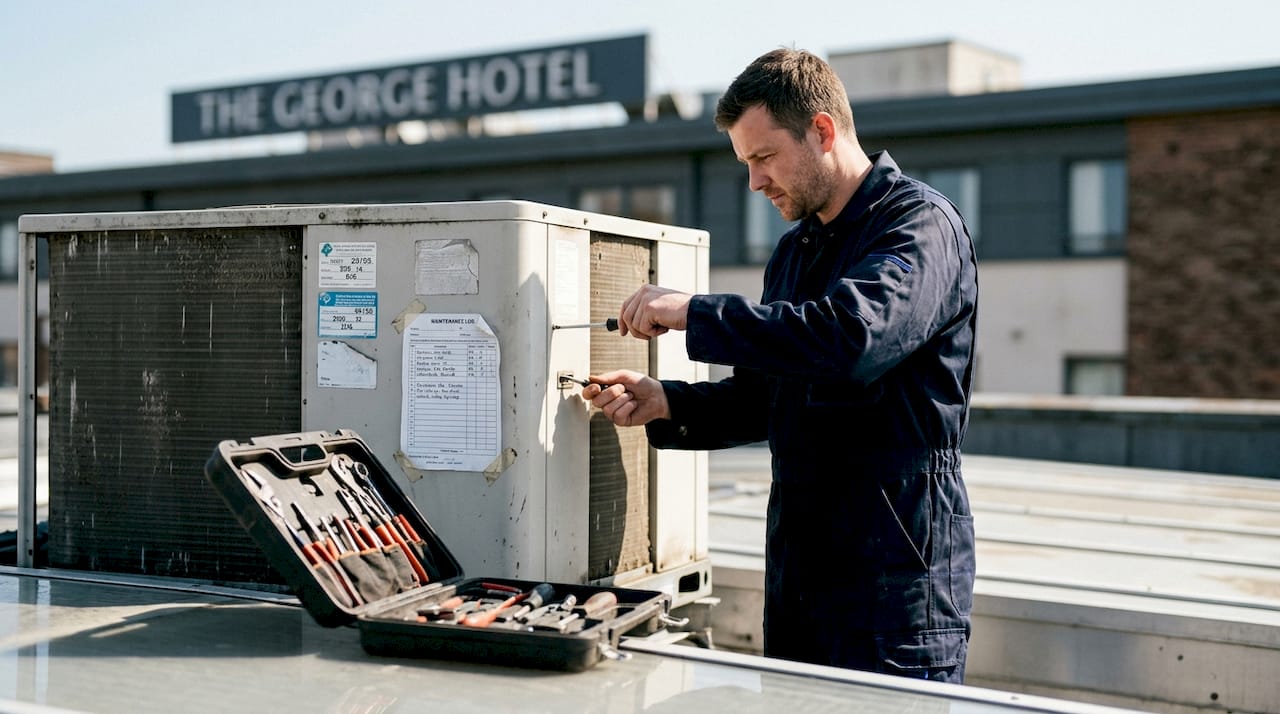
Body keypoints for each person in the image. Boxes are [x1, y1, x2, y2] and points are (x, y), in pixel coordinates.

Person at [583, 48, 979, 683]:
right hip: (801, 581)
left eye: (764, 157)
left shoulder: (919, 227)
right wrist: (668, 401)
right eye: (745, 163)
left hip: (895, 593)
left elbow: (851, 340)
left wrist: (695, 311)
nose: (755, 182)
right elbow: (768, 398)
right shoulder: (796, 251)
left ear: (822, 131)